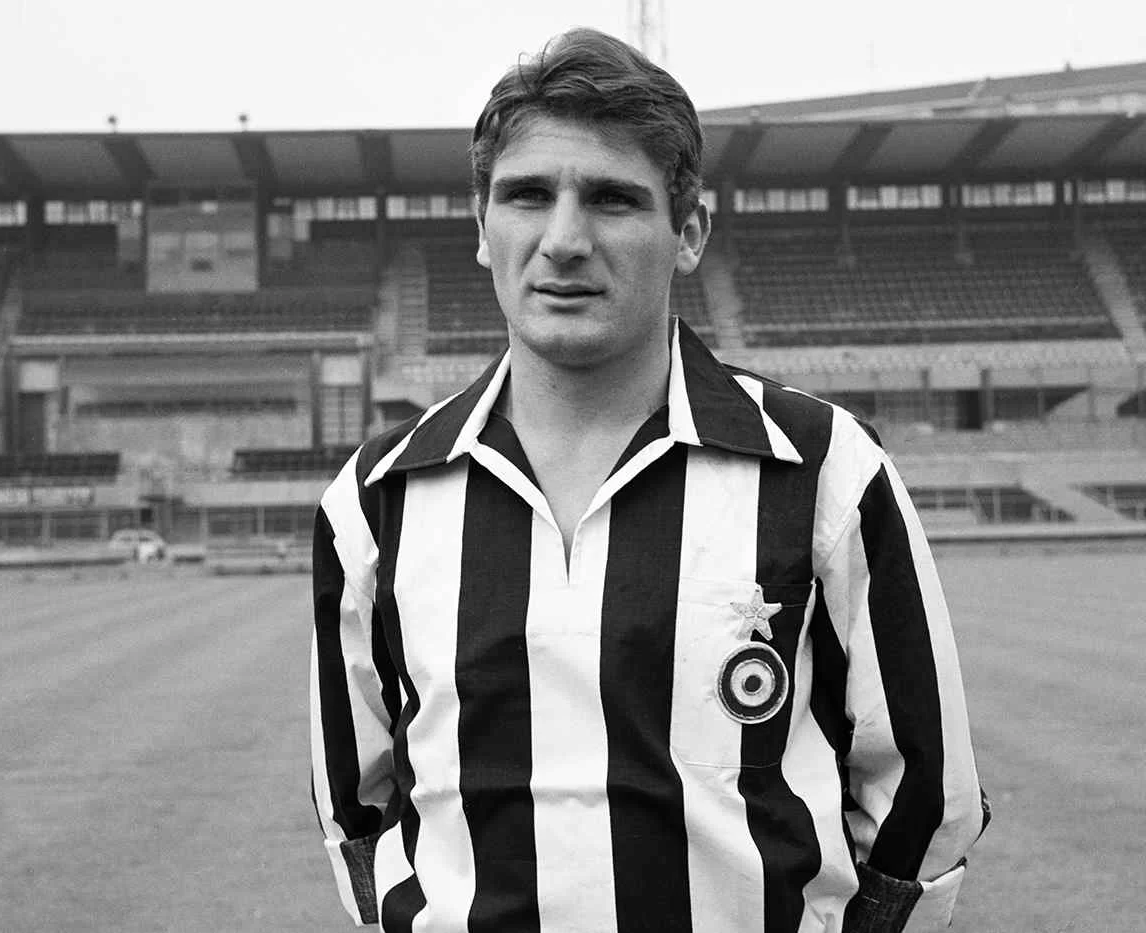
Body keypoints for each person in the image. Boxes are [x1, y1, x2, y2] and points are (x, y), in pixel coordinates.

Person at [310, 27, 989, 933]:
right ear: (481, 228)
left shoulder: (825, 469)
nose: (564, 240)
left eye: (613, 199)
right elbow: (356, 814)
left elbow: (924, 803)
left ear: (689, 233)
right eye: (527, 195)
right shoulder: (377, 499)